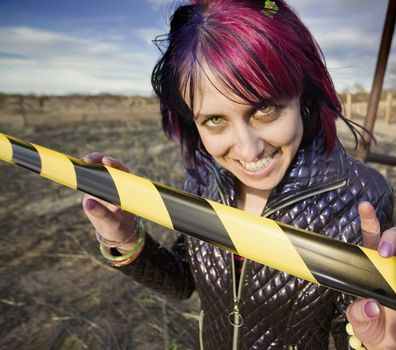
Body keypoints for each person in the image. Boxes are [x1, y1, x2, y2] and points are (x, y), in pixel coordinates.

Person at [82, 1, 396, 349]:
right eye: (215, 120)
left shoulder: (362, 198)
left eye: (265, 109)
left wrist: (375, 342)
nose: (247, 152)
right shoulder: (205, 176)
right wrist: (124, 237)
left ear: (302, 96)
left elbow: (357, 329)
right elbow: (187, 280)